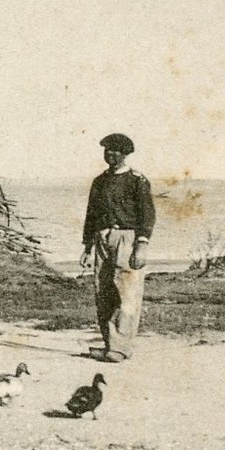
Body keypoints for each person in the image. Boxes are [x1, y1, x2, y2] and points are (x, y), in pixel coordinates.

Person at [80, 132, 156, 362]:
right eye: (106, 150)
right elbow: (91, 215)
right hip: (102, 238)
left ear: (125, 153)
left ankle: (120, 348)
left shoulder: (137, 180)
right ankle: (110, 344)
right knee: (103, 293)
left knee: (127, 293)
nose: (109, 154)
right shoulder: (99, 181)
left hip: (128, 238)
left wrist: (141, 244)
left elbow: (147, 214)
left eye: (114, 150)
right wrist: (87, 247)